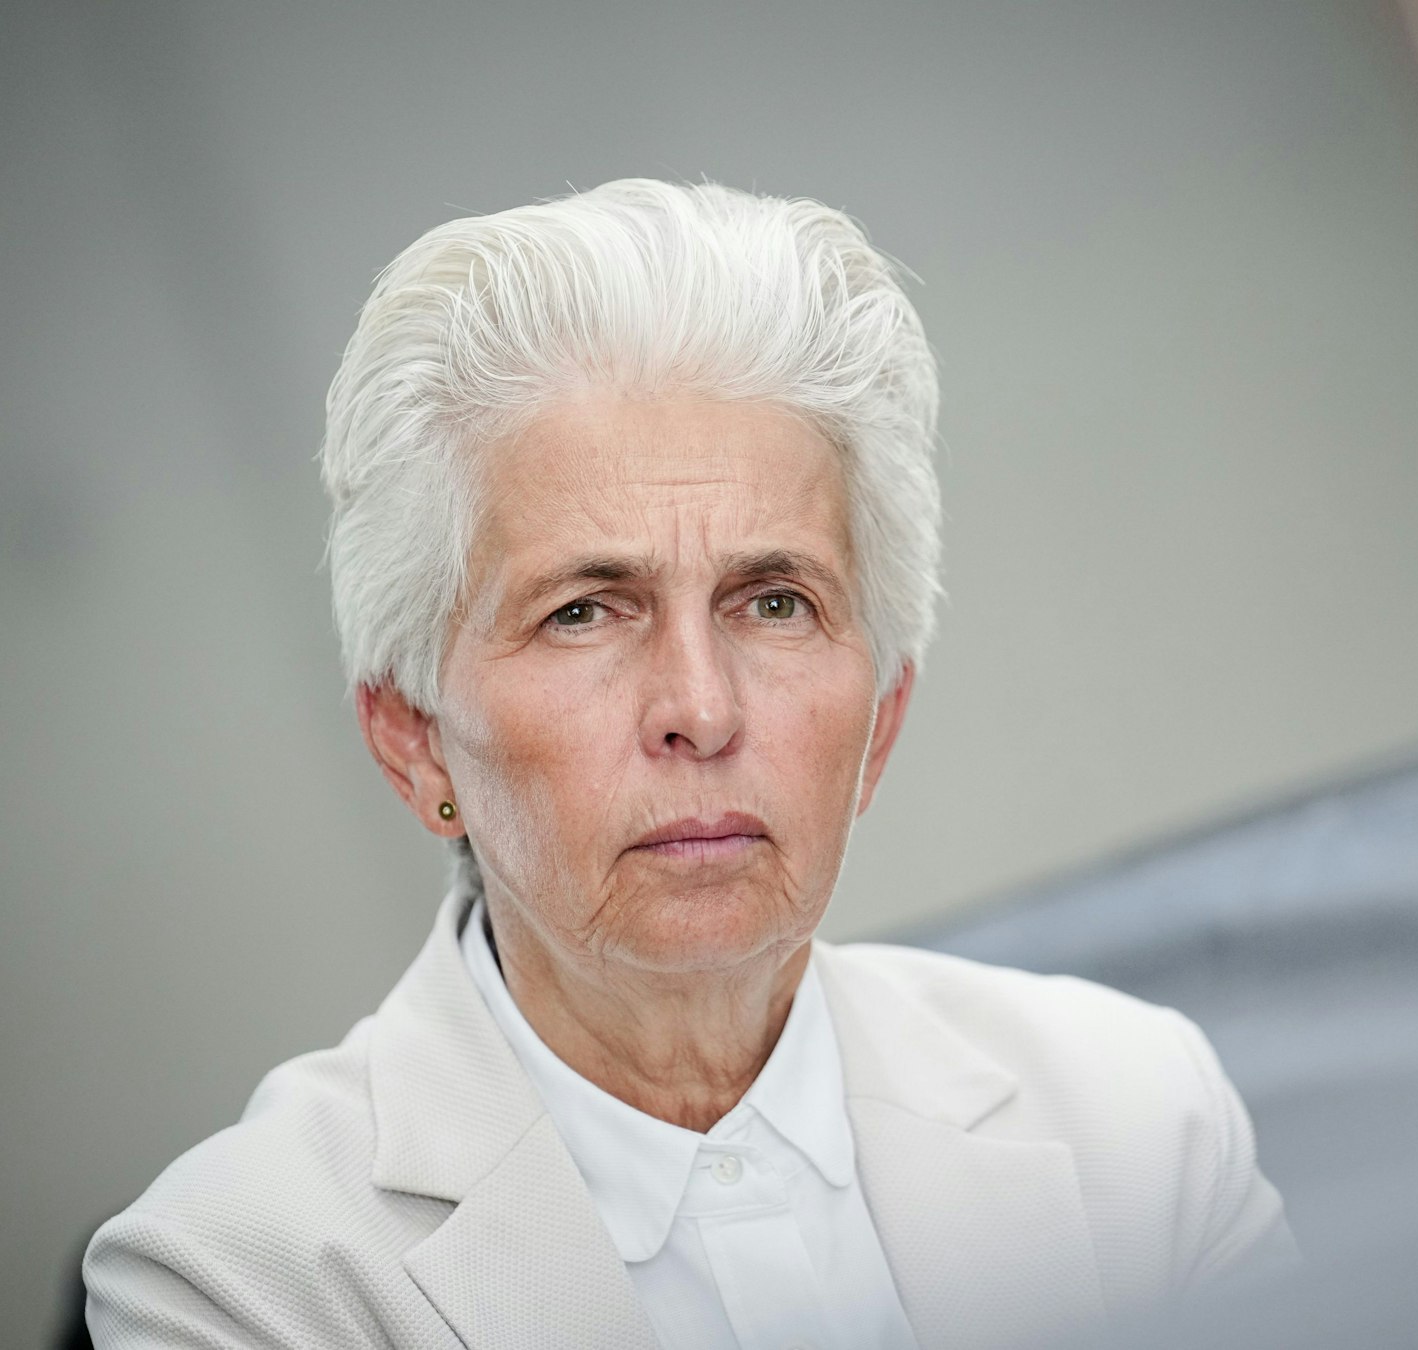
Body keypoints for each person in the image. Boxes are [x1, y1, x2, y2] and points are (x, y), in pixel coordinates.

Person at [83, 179, 1292, 1349]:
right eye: (582, 612)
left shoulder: (1138, 1121)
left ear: (881, 721)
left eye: (774, 602)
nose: (701, 711)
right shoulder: (238, 1285)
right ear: (413, 737)